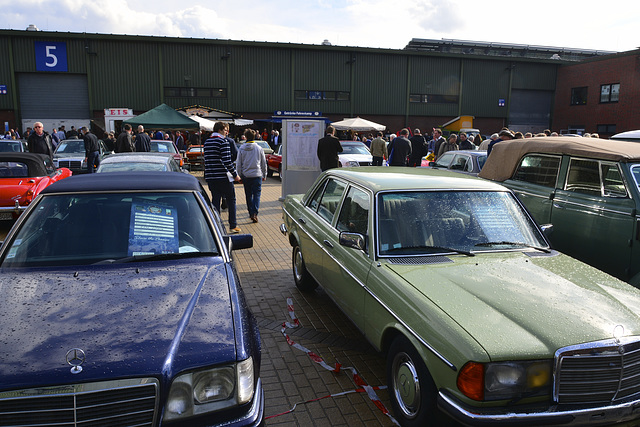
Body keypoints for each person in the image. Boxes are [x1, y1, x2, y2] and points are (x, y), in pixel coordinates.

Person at [204, 121, 241, 233]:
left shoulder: (207, 142)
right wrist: (235, 175)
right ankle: (233, 225)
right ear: (220, 130)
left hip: (211, 177)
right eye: (225, 130)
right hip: (223, 177)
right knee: (231, 199)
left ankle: (217, 225)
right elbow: (227, 161)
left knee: (215, 200)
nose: (226, 132)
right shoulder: (223, 141)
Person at [236, 129, 267, 223]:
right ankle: (255, 213)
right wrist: (264, 174)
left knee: (248, 195)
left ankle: (250, 212)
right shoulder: (259, 148)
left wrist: (239, 175)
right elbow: (263, 163)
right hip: (257, 174)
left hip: (246, 175)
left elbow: (238, 164)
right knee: (257, 195)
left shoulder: (241, 148)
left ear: (245, 137)